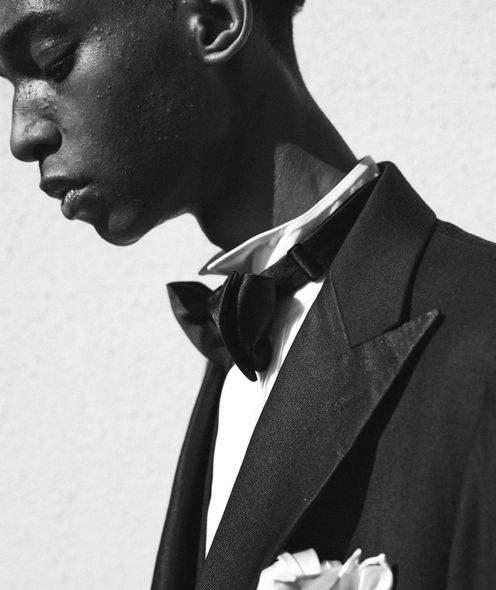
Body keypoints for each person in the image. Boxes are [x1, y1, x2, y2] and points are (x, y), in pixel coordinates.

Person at [0, 0, 495, 589]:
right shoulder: (238, 344)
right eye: (10, 85)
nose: (22, 135)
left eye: (53, 61)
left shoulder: (481, 337)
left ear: (215, 21)